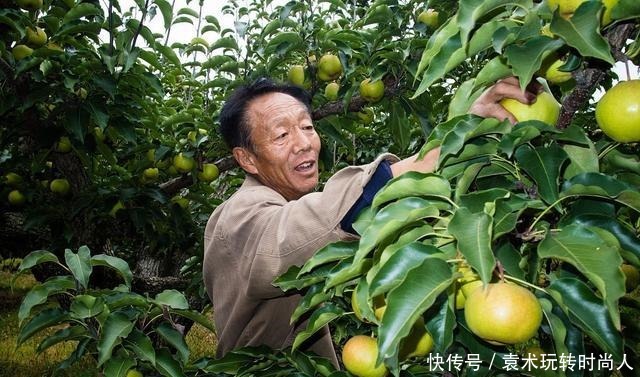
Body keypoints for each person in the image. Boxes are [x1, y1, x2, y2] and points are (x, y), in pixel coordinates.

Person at [202, 76, 541, 365]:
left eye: (307, 127)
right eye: (281, 136)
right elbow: (298, 234)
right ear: (246, 158)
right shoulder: (240, 213)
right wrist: (447, 147)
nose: (304, 143)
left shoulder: (283, 203)